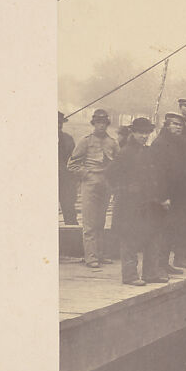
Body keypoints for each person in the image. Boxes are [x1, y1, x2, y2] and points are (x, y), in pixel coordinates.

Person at [108, 117, 169, 286]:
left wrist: (160, 197)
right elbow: (110, 175)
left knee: (152, 236)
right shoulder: (125, 153)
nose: (144, 136)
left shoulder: (148, 152)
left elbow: (154, 177)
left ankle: (150, 273)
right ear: (133, 133)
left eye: (147, 132)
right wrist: (126, 188)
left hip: (148, 204)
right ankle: (130, 275)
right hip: (129, 205)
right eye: (140, 132)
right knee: (130, 239)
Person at [67, 108, 119, 269]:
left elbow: (119, 164)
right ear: (93, 124)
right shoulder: (85, 141)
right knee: (89, 222)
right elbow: (72, 164)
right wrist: (87, 175)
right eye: (98, 123)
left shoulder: (112, 142)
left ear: (107, 124)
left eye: (103, 123)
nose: (101, 126)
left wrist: (113, 180)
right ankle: (90, 257)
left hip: (106, 184)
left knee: (101, 221)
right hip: (90, 184)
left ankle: (100, 254)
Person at [150, 112, 186, 271]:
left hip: (178, 194)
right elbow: (158, 173)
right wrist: (163, 197)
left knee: (172, 229)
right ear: (167, 125)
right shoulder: (160, 143)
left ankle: (165, 264)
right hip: (165, 195)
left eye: (180, 125)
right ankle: (159, 266)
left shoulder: (180, 142)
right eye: (175, 124)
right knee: (162, 231)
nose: (178, 128)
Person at [58, 112, 77, 225]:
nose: (58, 126)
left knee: (69, 210)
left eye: (60, 123)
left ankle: (73, 237)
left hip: (65, 179)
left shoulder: (68, 139)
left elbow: (74, 159)